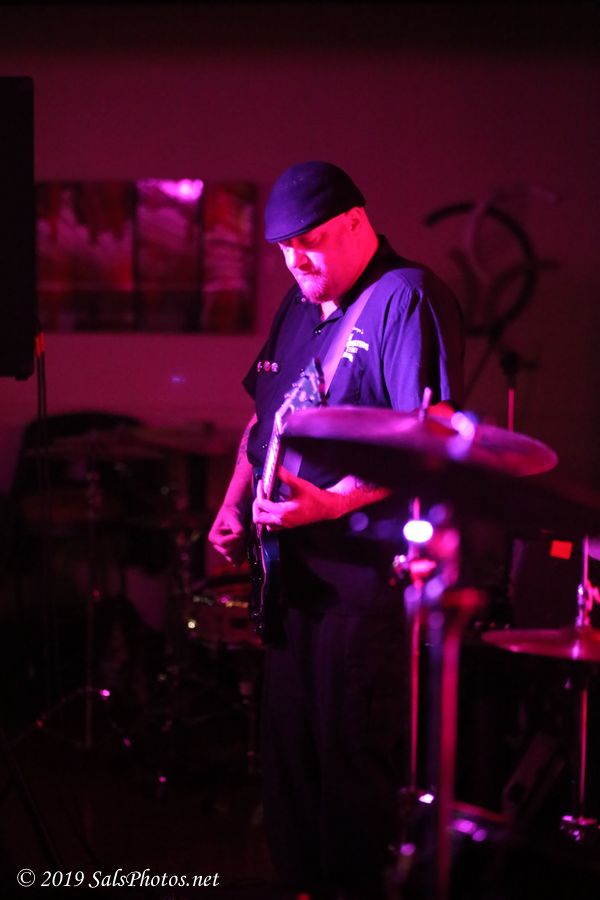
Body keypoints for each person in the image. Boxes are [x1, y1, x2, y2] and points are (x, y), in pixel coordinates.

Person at [208, 161, 464, 900]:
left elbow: (431, 440)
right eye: (284, 248)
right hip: (289, 582)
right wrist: (232, 502)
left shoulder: (404, 297)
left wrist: (331, 504)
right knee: (290, 779)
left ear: (356, 221)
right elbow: (264, 417)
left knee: (350, 787)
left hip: (359, 589)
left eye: (309, 242)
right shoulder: (298, 303)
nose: (297, 261)